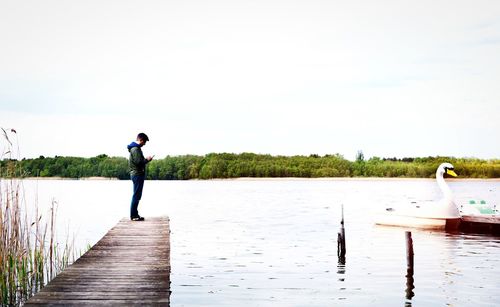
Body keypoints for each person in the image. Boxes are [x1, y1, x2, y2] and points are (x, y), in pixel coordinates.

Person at [127, 132, 154, 221]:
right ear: (140, 140)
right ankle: (134, 216)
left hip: (137, 174)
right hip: (137, 174)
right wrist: (147, 159)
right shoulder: (135, 149)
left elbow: (138, 161)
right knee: (136, 195)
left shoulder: (135, 148)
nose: (144, 144)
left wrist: (145, 160)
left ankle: (135, 214)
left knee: (137, 195)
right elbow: (139, 162)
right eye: (144, 142)